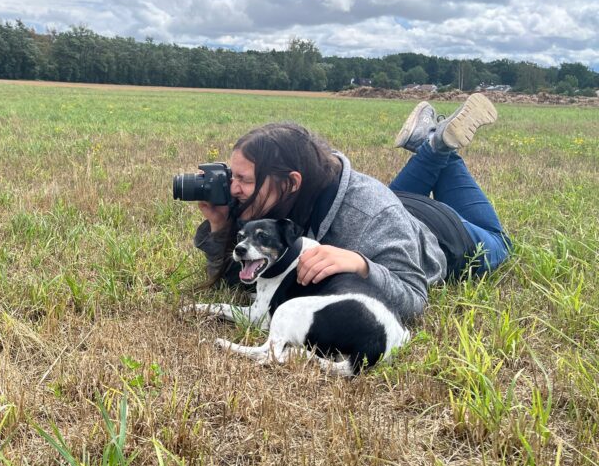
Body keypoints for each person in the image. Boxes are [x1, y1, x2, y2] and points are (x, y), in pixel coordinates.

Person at [193, 93, 510, 321]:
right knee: (386, 206)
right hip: (395, 206)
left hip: (447, 234)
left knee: (501, 242)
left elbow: (414, 298)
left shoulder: (371, 218)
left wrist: (362, 265)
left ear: (291, 183)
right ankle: (430, 143)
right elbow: (243, 279)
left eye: (244, 180)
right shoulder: (298, 192)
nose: (233, 189)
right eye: (233, 176)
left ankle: (437, 146)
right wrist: (220, 227)